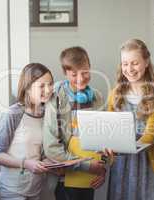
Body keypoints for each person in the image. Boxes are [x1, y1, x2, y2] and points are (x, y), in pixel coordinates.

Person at [107, 39, 154, 200]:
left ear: (146, 62)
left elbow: (150, 135)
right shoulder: (115, 94)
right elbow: (109, 128)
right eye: (125, 64)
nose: (129, 69)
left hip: (149, 162)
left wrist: (124, 145)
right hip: (122, 166)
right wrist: (107, 144)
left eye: (135, 63)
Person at [43, 46, 107, 200]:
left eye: (85, 72)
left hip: (89, 177)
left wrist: (102, 168)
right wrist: (87, 166)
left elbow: (105, 139)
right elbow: (51, 147)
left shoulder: (97, 97)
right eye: (74, 74)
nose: (80, 78)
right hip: (64, 178)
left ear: (90, 68)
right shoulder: (56, 97)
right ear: (65, 73)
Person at [0, 63, 54, 200]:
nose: (48, 89)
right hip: (12, 190)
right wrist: (26, 163)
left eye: (50, 84)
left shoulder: (47, 114)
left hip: (37, 189)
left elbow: (40, 152)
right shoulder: (12, 114)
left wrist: (47, 161)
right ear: (27, 88)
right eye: (42, 86)